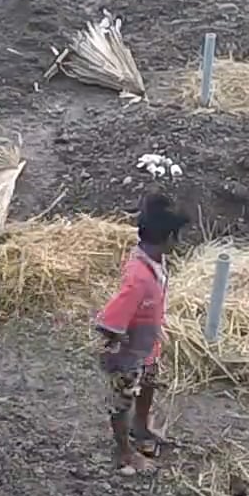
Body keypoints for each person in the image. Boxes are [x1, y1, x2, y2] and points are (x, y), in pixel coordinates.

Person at [95, 194, 188, 475]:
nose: (180, 242)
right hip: (130, 353)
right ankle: (124, 452)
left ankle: (142, 427)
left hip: (148, 346)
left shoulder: (154, 262)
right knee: (123, 399)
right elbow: (112, 317)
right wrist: (115, 343)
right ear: (169, 237)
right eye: (178, 236)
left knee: (148, 383)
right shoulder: (139, 277)